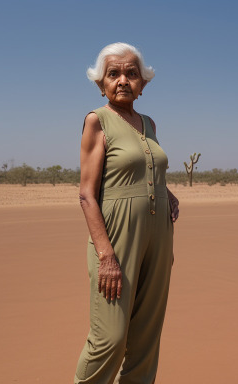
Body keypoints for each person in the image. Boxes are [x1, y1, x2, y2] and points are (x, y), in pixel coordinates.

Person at [74, 42, 179, 384]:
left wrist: (167, 193)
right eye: (113, 74)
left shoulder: (148, 124)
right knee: (110, 338)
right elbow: (88, 195)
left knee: (146, 337)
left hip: (158, 239)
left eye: (131, 74)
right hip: (116, 241)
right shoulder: (97, 121)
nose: (122, 81)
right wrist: (106, 255)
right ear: (101, 83)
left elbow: (145, 170)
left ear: (143, 84)